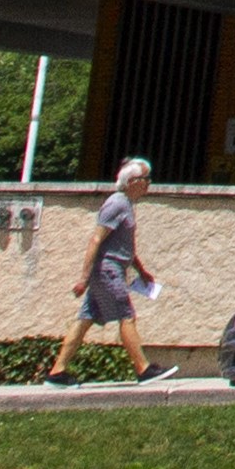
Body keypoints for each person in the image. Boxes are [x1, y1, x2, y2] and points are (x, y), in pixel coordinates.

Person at [37, 158, 163, 384]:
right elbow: (96, 240)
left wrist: (141, 271)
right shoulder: (117, 203)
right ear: (133, 181)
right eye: (146, 179)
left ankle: (57, 371)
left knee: (85, 319)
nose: (149, 183)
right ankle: (143, 369)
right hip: (108, 271)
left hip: (112, 269)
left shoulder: (127, 205)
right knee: (127, 316)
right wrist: (84, 278)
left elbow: (124, 246)